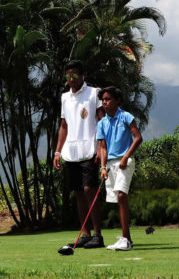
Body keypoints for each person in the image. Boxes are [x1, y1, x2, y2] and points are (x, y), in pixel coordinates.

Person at [53, 60, 105, 249]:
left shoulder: (94, 93)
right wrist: (58, 151)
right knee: (78, 192)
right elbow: (64, 125)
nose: (71, 79)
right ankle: (85, 234)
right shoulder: (65, 97)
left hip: (90, 149)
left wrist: (101, 147)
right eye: (68, 76)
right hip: (71, 152)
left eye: (75, 75)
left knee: (89, 190)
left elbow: (102, 120)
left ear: (83, 75)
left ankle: (98, 235)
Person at [97, 86, 143, 251]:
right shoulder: (102, 122)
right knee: (117, 199)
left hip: (125, 161)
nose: (105, 102)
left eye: (108, 99)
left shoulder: (125, 116)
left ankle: (126, 240)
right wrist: (102, 167)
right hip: (109, 165)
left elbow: (138, 138)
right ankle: (125, 238)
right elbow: (102, 147)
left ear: (117, 100)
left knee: (122, 196)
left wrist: (125, 157)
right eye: (103, 100)